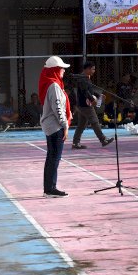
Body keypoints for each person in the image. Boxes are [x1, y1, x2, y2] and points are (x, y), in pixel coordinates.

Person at [39, 56, 72, 197]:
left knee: (51, 157)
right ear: (55, 70)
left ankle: (49, 188)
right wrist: (65, 125)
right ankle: (51, 188)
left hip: (50, 125)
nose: (64, 71)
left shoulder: (49, 83)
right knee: (54, 158)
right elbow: (58, 108)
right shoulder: (54, 86)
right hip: (55, 126)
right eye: (61, 68)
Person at [72, 62, 114, 149]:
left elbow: (89, 90)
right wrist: (92, 99)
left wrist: (98, 95)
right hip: (85, 105)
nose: (94, 71)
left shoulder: (86, 78)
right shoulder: (82, 78)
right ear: (87, 69)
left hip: (82, 105)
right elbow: (85, 92)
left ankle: (75, 143)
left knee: (81, 125)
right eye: (93, 69)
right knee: (95, 121)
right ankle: (103, 140)